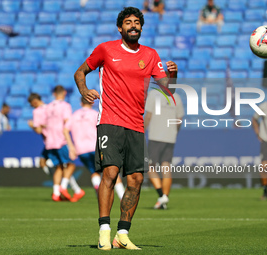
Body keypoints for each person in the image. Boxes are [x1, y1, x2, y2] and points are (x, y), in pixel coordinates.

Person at [74, 7, 178, 250]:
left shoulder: (151, 55)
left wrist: (173, 74)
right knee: (110, 173)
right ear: (120, 28)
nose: (133, 26)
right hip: (110, 121)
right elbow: (80, 72)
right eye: (128, 22)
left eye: (137, 22)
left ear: (141, 27)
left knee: (136, 180)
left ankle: (122, 234)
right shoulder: (106, 50)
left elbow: (167, 89)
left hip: (136, 124)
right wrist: (84, 90)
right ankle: (103, 232)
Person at [64, 97, 125, 199]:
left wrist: (71, 147)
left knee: (94, 172)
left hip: (81, 150)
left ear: (80, 103)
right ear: (92, 103)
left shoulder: (74, 116)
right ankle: (123, 197)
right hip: (96, 147)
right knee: (112, 170)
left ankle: (97, 187)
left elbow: (65, 130)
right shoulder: (95, 114)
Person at [144, 89, 184, 209]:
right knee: (166, 166)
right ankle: (164, 199)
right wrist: (174, 132)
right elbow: (179, 119)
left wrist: (141, 130)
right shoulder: (176, 97)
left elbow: (148, 115)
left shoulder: (153, 94)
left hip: (156, 135)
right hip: (170, 137)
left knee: (149, 167)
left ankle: (162, 195)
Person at [45, 85, 85, 202]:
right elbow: (67, 123)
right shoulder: (65, 106)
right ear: (64, 93)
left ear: (54, 94)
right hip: (61, 140)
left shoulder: (48, 107)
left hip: (50, 141)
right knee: (71, 165)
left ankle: (56, 193)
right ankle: (63, 187)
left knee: (59, 167)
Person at [27, 93, 50, 175]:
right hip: (58, 139)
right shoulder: (50, 108)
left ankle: (59, 184)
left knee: (61, 165)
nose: (31, 106)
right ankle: (59, 183)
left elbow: (38, 131)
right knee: (42, 162)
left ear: (35, 101)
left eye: (31, 103)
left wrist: (32, 125)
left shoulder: (37, 111)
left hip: (50, 142)